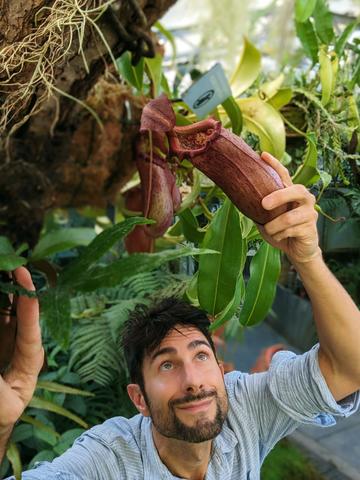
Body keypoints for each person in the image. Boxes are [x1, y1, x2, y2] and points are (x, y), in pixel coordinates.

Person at [1, 152, 360, 480]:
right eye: (166, 365)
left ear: (222, 374)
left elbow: (350, 369)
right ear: (139, 399)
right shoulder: (109, 460)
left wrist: (307, 258)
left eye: (201, 356)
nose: (193, 380)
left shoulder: (246, 409)